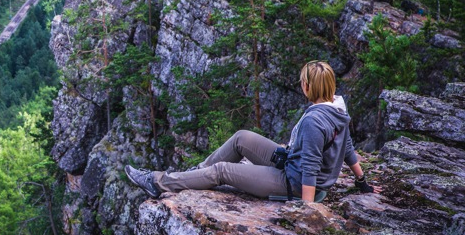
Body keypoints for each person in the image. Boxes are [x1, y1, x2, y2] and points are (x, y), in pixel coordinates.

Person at [125, 61, 378, 202]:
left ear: (308, 87)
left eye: (303, 82)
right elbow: (347, 148)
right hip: (292, 166)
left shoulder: (315, 121)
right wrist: (361, 181)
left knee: (222, 171)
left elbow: (310, 167)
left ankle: (158, 183)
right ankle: (194, 175)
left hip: (294, 183)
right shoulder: (338, 109)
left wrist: (307, 211)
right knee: (241, 138)